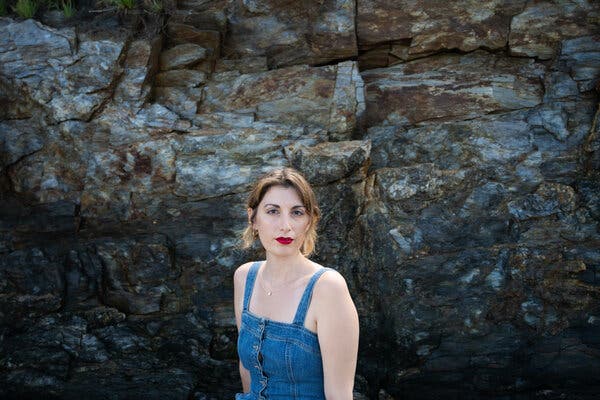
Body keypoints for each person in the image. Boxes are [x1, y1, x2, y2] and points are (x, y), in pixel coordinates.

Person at [233, 167, 359, 400]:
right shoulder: (244, 277)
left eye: (297, 213)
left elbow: (339, 395)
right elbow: (246, 370)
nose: (285, 226)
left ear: (310, 221)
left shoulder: (327, 288)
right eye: (272, 211)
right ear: (253, 218)